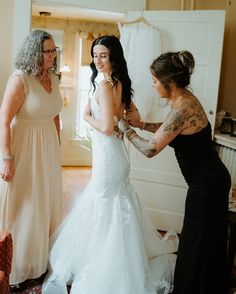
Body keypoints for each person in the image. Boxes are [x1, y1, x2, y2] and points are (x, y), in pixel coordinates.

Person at [42, 35, 179, 294]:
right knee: (112, 202)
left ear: (113, 56)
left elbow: (105, 127)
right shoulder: (119, 83)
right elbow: (134, 117)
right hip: (116, 155)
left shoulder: (104, 85)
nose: (97, 60)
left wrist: (87, 117)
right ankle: (117, 255)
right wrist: (120, 120)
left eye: (103, 55)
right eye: (95, 55)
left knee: (105, 202)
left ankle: (105, 262)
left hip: (109, 155)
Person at [118, 50, 231, 294]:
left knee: (198, 241)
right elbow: (170, 129)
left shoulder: (184, 107)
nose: (153, 85)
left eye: (155, 81)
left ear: (169, 82)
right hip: (209, 182)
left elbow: (150, 149)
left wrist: (124, 129)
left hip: (207, 186)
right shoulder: (182, 102)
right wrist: (141, 125)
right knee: (201, 240)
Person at [0, 30, 63, 290]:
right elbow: (4, 120)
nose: (51, 55)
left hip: (47, 148)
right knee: (24, 205)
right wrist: (6, 158)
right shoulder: (20, 79)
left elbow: (56, 115)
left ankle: (39, 263)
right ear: (34, 52)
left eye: (53, 50)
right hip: (24, 147)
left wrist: (57, 148)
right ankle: (17, 267)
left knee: (44, 204)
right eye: (46, 51)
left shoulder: (54, 78)